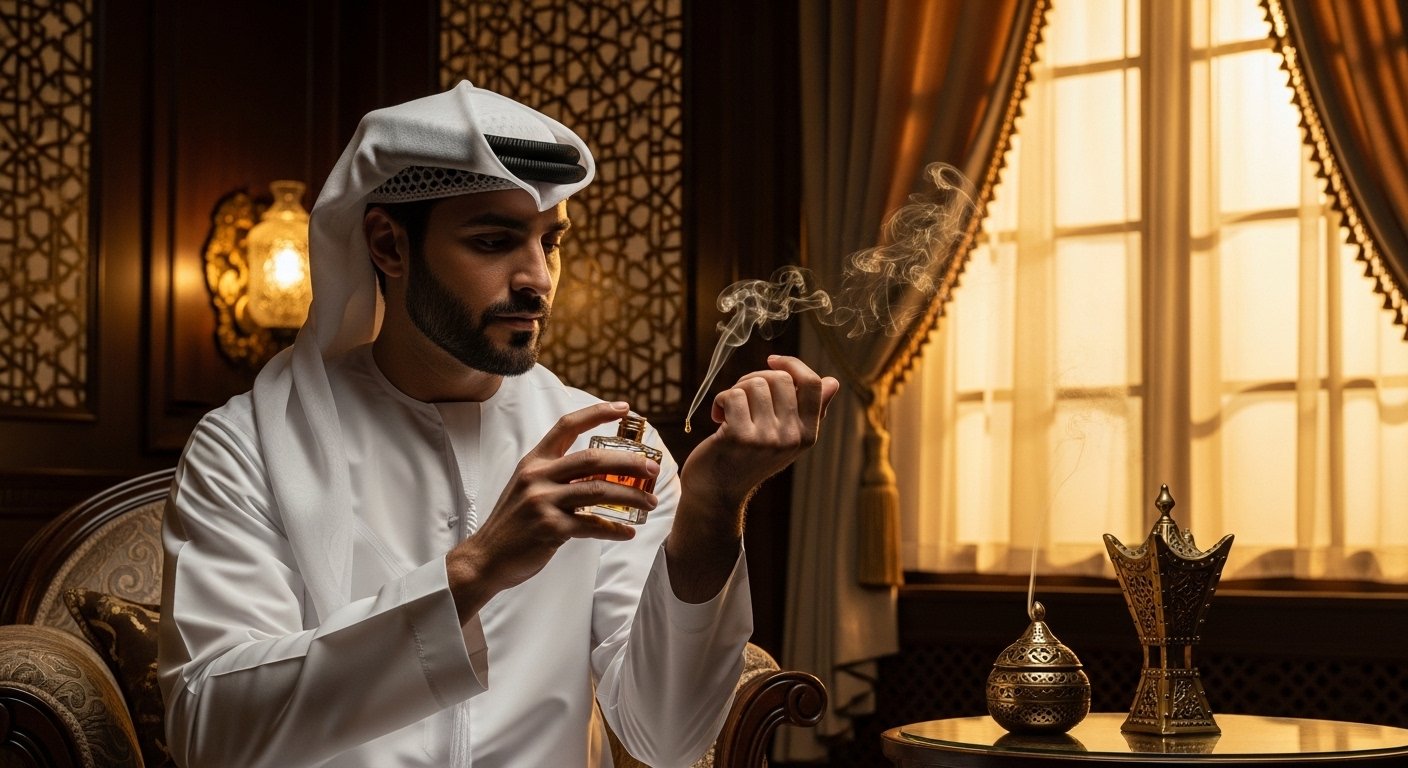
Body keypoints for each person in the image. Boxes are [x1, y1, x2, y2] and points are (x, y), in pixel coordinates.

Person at [157, 80, 839, 768]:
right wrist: (474, 572)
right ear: (388, 246)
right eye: (493, 241)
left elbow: (667, 736)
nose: (537, 278)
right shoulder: (248, 445)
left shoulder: (607, 445)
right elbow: (208, 731)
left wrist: (715, 508)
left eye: (552, 240)